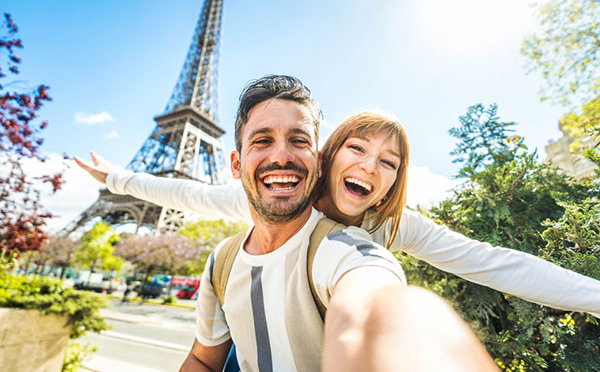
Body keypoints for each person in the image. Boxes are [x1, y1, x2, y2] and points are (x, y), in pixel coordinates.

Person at [77, 75, 498, 371]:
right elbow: (204, 359)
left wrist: (395, 326)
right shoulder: (222, 262)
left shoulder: (349, 248)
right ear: (236, 163)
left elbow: (377, 298)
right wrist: (117, 179)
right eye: (263, 140)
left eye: (298, 140)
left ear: (318, 161)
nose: (280, 155)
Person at [77, 112, 600, 319]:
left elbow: (493, 263)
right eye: (358, 149)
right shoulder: (275, 195)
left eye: (389, 163)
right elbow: (187, 194)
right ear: (328, 156)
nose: (371, 167)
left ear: (394, 181)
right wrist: (117, 180)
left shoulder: (392, 224)